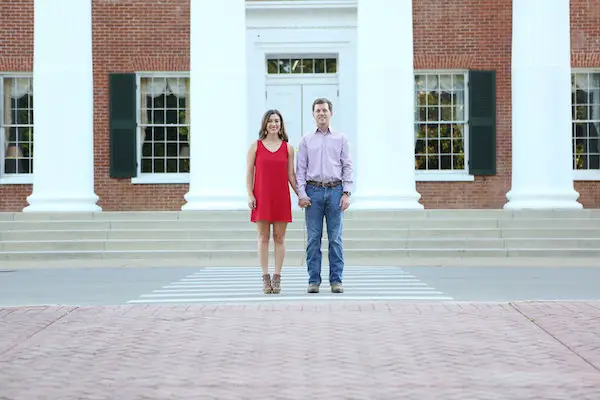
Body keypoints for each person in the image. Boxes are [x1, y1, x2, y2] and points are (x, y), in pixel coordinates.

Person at [296, 98, 354, 294]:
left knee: (335, 239)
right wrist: (302, 193)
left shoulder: (341, 139)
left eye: (325, 110)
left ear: (331, 113)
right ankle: (314, 280)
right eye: (318, 111)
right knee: (313, 239)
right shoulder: (305, 140)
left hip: (336, 190)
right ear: (313, 114)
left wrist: (346, 193)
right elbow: (300, 169)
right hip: (313, 192)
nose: (321, 113)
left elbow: (347, 166)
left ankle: (336, 281)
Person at [246, 109, 299, 294]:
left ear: (281, 124)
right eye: (270, 121)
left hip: (281, 197)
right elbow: (249, 172)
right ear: (265, 125)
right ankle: (265, 277)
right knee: (263, 237)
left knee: (279, 237)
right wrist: (250, 195)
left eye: (276, 121)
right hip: (261, 196)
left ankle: (277, 276)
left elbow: (291, 175)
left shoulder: (288, 148)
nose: (274, 124)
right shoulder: (256, 146)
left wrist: (301, 194)